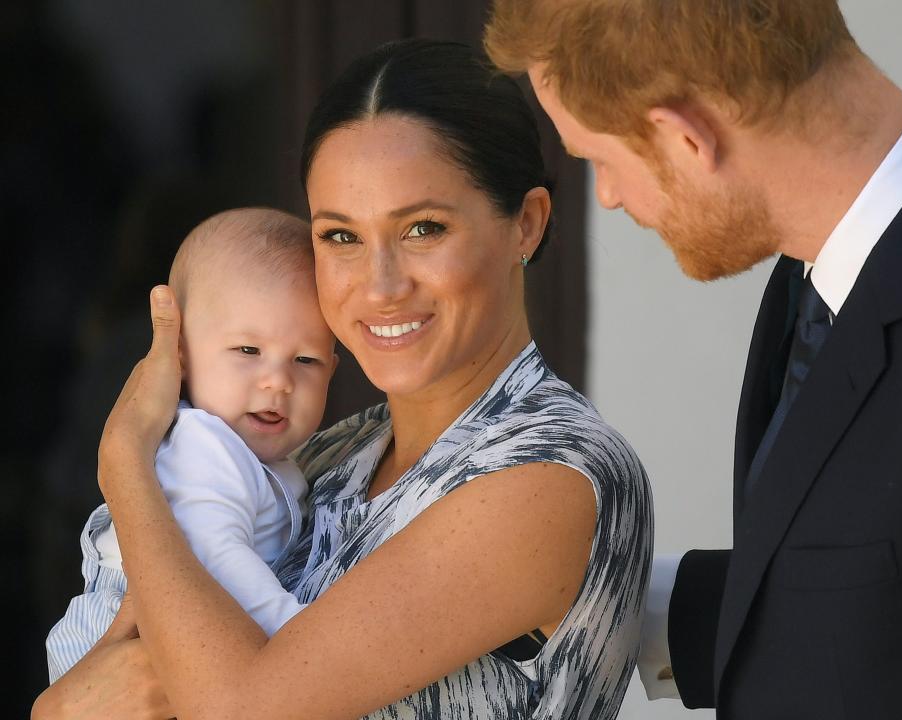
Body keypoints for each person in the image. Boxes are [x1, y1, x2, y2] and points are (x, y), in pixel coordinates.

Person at [32, 39, 652, 720]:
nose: (380, 287)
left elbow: (242, 707)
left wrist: (125, 462)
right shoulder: (330, 457)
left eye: (422, 228)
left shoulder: (550, 474)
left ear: (525, 225)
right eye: (341, 237)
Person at [485, 1, 902, 718]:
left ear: (685, 137)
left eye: (597, 161)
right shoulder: (829, 261)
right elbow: (887, 596)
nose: (608, 198)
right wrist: (587, 596)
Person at [45, 207, 337, 681]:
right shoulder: (203, 446)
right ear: (179, 355)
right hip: (122, 643)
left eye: (306, 360)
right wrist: (296, 635)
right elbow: (216, 556)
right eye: (248, 350)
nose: (278, 381)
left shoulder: (272, 460)